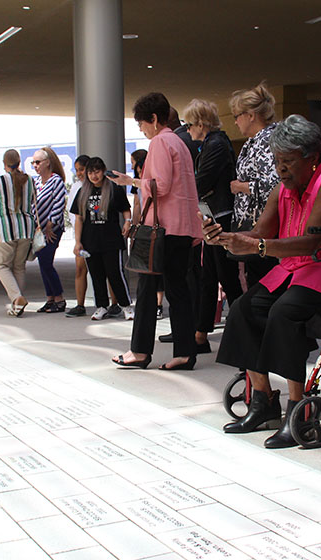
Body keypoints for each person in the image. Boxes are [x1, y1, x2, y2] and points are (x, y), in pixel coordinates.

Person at [209, 114, 321, 449]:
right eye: (277, 161)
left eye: (287, 162)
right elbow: (260, 234)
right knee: (242, 310)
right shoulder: (282, 189)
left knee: (284, 312)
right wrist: (225, 237)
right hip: (298, 266)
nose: (281, 169)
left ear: (312, 158)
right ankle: (263, 402)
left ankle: (299, 410)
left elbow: (313, 242)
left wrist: (257, 246)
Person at [108, 92, 202, 370]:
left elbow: (160, 186)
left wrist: (132, 181)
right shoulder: (180, 142)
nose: (141, 129)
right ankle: (185, 352)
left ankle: (139, 351)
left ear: (153, 118)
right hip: (181, 227)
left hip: (163, 228)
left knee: (149, 288)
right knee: (178, 289)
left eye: (141, 123)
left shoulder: (160, 142)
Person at [184, 99, 243, 354]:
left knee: (224, 275)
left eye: (189, 124)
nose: (187, 130)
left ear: (200, 123)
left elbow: (202, 180)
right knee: (210, 275)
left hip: (221, 215)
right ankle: (200, 334)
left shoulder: (216, 143)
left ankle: (241, 329)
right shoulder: (212, 143)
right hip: (214, 214)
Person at [229, 83, 281, 288]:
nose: (235, 121)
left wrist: (242, 187)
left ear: (251, 115)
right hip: (254, 225)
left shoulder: (268, 140)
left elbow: (276, 184)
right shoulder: (254, 141)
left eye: (237, 115)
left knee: (264, 283)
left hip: (264, 226)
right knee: (254, 281)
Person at [71, 157, 134, 321]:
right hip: (90, 241)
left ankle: (126, 305)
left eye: (97, 171)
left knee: (115, 273)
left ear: (103, 170)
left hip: (111, 239)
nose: (94, 176)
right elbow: (78, 218)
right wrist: (78, 242)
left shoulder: (113, 188)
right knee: (96, 274)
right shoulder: (83, 191)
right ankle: (101, 306)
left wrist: (128, 222)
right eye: (90, 172)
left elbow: (126, 209)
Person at [0, 149, 36, 317]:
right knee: (19, 267)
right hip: (26, 229)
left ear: (5, 164)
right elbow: (34, 200)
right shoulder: (29, 180)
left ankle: (17, 298)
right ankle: (17, 305)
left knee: (2, 265)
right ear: (19, 163)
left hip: (5, 230)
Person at [129, 149, 165, 319]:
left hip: (156, 226)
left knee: (155, 268)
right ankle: (151, 306)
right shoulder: (137, 182)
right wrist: (134, 224)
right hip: (144, 226)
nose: (132, 165)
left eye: (133, 161)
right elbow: (137, 203)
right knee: (144, 268)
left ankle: (158, 305)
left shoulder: (150, 176)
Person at [31, 147, 67, 313]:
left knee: (46, 262)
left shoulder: (56, 181)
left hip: (52, 230)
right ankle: (50, 298)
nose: (35, 165)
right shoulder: (36, 182)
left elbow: (59, 204)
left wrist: (50, 224)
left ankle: (59, 298)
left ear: (47, 163)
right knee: (43, 263)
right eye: (33, 163)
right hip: (39, 231)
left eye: (38, 162)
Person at [66, 155, 91, 317]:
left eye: (81, 169)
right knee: (80, 269)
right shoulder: (76, 187)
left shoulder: (100, 186)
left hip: (96, 233)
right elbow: (73, 214)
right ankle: (80, 304)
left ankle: (115, 303)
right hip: (81, 235)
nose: (79, 173)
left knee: (108, 272)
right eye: (77, 170)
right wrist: (77, 240)